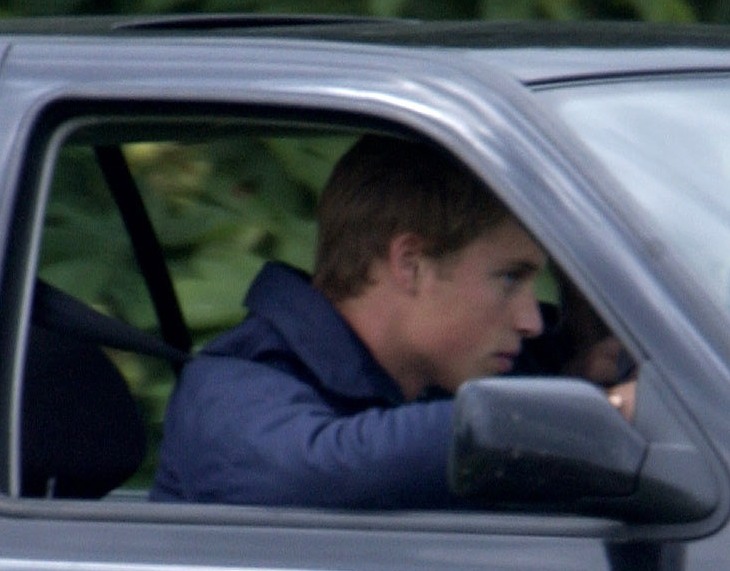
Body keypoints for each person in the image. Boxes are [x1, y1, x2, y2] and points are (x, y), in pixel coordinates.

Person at [151, 136, 633, 509]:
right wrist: (590, 415)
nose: (530, 320)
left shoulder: (472, 363)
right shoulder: (232, 388)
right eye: (509, 277)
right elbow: (319, 468)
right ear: (410, 264)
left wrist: (586, 372)